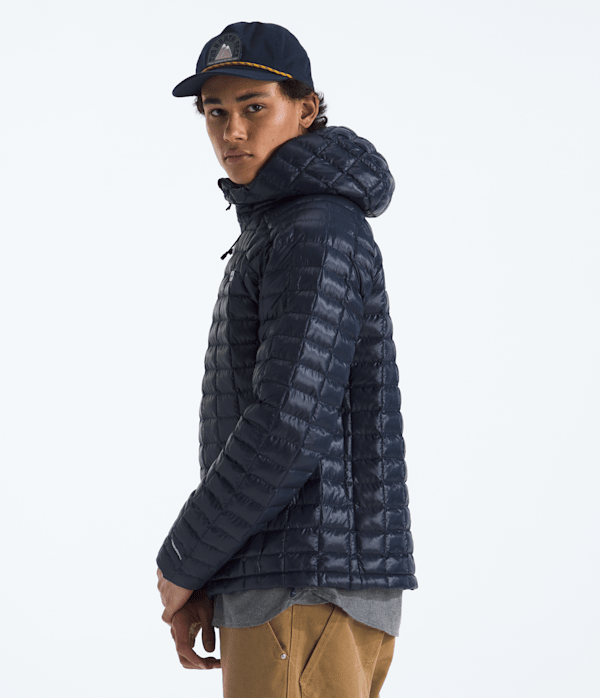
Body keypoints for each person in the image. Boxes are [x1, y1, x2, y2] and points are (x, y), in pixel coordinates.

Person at [156, 21, 417, 698]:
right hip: (289, 583)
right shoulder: (283, 225)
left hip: (302, 589)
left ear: (306, 108)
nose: (232, 131)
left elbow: (287, 425)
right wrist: (215, 575)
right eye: (215, 112)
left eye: (254, 107)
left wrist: (185, 558)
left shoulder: (313, 229)